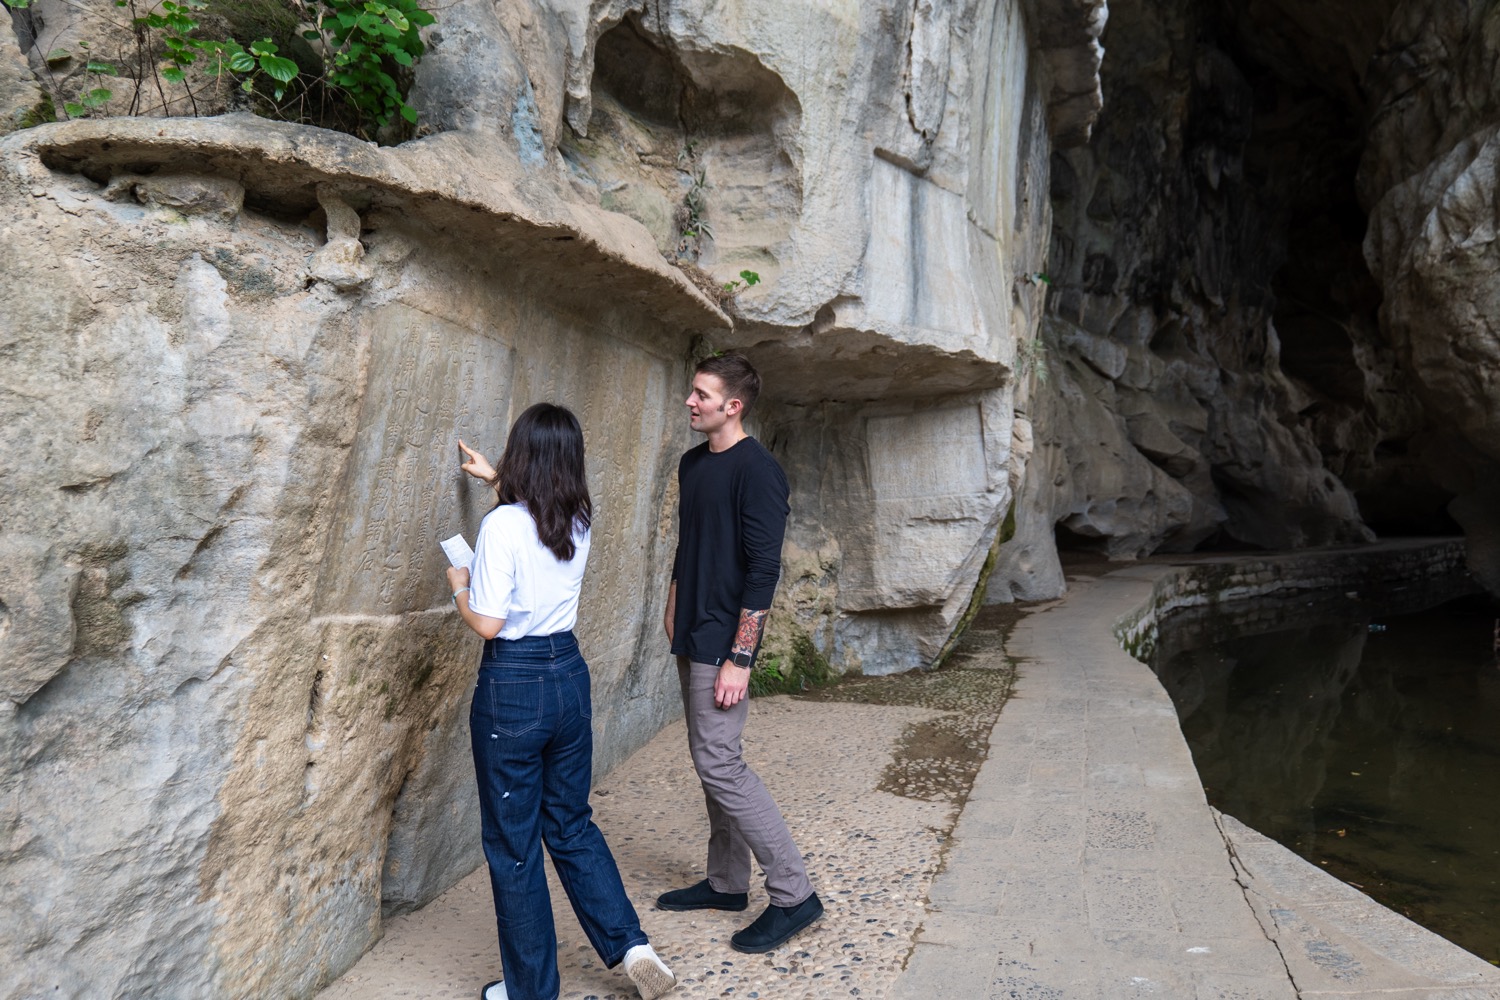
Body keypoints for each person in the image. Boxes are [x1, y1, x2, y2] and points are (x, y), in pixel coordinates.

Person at [446, 403, 676, 1000]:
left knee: (514, 845)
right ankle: (632, 945)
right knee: (570, 822)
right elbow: (536, 509)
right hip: (568, 676)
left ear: (521, 451)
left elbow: (489, 625)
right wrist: (495, 478)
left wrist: (460, 587)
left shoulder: (500, 528)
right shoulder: (576, 516)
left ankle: (530, 992)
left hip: (514, 686)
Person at [655, 353, 824, 953]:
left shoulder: (759, 472)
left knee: (720, 763)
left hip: (726, 640)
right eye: (691, 391)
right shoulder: (693, 464)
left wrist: (740, 659)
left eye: (701, 394)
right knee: (710, 758)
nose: (689, 402)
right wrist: (674, 602)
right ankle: (727, 882)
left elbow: (763, 570)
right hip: (694, 629)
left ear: (735, 406)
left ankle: (794, 894)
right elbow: (689, 544)